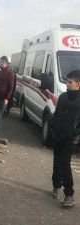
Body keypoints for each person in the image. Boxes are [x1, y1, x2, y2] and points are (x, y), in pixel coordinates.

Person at [51, 70, 80, 207]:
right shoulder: (62, 97)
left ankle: (69, 194)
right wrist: (53, 128)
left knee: (64, 163)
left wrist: (75, 133)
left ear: (78, 85)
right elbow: (56, 114)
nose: (67, 84)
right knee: (57, 162)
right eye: (67, 81)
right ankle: (56, 185)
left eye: (70, 82)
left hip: (71, 138)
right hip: (58, 136)